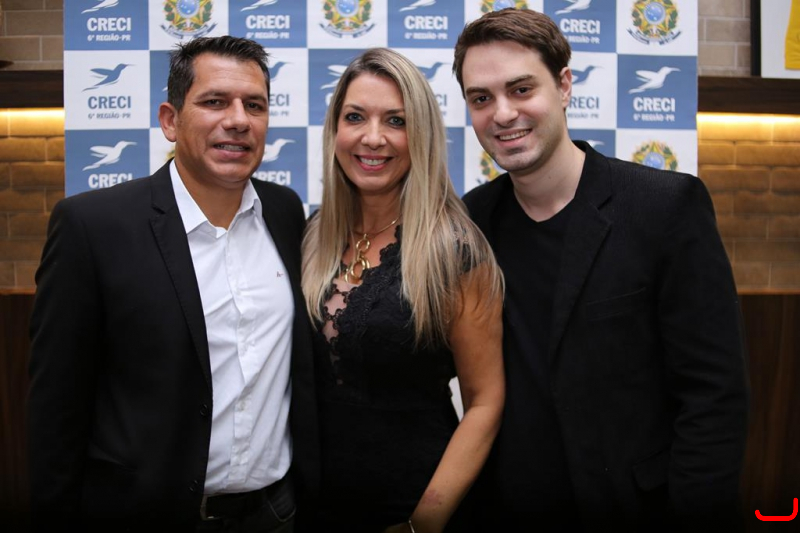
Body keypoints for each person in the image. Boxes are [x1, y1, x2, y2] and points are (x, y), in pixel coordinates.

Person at [452, 8, 749, 532]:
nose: (502, 113)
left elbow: (714, 397)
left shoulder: (664, 207)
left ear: (565, 85)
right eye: (481, 98)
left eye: (521, 89)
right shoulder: (471, 221)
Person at [28, 36, 318, 531]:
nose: (238, 120)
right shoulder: (92, 226)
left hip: (276, 513)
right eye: (215, 101)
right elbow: (56, 406)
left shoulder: (285, 212)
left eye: (255, 105)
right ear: (170, 120)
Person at [300, 47, 504, 533]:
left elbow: (485, 402)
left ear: (422, 135)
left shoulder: (456, 251)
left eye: (396, 120)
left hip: (410, 508)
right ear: (335, 130)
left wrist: (423, 522)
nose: (373, 138)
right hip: (311, 506)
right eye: (355, 117)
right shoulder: (313, 235)